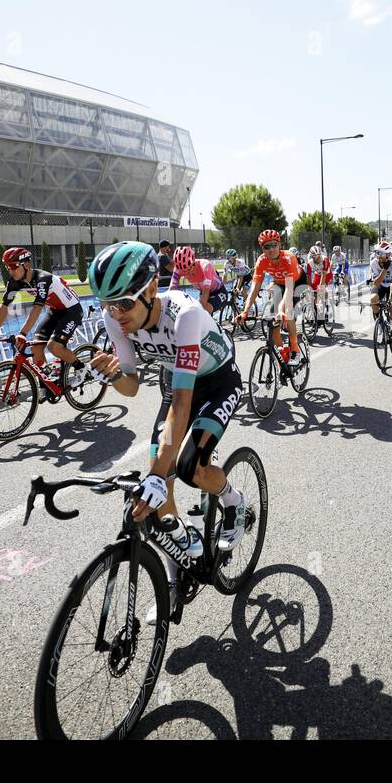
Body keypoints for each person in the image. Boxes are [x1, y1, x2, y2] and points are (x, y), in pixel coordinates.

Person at [87, 242, 247, 619]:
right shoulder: (116, 320)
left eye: (123, 303)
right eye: (107, 304)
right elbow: (131, 386)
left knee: (189, 467)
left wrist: (159, 474)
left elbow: (183, 402)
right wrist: (111, 375)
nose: (115, 314)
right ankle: (176, 570)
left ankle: (233, 501)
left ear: (149, 291)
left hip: (217, 381)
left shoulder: (185, 316)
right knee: (161, 471)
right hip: (176, 380)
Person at [0, 247, 95, 389]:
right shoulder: (15, 283)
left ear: (26, 265)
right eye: (8, 267)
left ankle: (81, 368)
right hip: (54, 311)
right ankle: (45, 385)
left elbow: (37, 308)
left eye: (14, 266)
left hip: (71, 311)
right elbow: (4, 307)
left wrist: (22, 333)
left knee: (54, 346)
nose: (11, 271)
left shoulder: (42, 279)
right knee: (36, 347)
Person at [237, 229, 309, 365]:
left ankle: (295, 349)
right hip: (279, 282)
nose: (271, 249)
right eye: (267, 246)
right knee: (272, 316)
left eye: (274, 245)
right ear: (262, 249)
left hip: (297, 282)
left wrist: (282, 309)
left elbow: (289, 288)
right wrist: (245, 311)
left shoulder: (288, 258)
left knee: (287, 312)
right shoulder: (262, 261)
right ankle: (282, 352)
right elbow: (254, 289)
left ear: (279, 245)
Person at [171, 245, 229, 317]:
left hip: (218, 291)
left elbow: (205, 294)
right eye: (183, 271)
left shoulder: (205, 266)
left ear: (193, 262)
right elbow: (172, 290)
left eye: (188, 269)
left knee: (203, 310)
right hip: (203, 291)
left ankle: (213, 327)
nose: (187, 273)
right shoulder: (178, 268)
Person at [367, 243, 392, 354]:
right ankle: (380, 324)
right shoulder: (374, 263)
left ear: (388, 255)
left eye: (381, 254)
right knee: (373, 298)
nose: (378, 256)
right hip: (381, 286)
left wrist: (391, 300)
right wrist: (383, 270)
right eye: (377, 253)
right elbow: (376, 282)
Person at [305, 245, 332, 322]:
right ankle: (315, 312)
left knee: (321, 291)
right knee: (312, 292)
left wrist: (320, 289)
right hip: (317, 275)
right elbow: (309, 277)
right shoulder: (309, 263)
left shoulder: (325, 259)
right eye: (315, 256)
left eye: (319, 255)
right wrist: (309, 288)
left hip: (327, 275)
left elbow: (324, 276)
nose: (317, 258)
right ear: (311, 256)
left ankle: (326, 306)